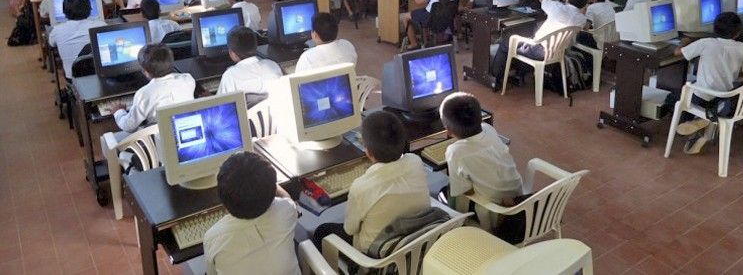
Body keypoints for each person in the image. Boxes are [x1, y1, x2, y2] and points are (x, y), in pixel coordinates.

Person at [312, 111, 430, 253]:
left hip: (376, 256)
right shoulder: (415, 161)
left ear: (367, 152)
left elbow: (349, 229)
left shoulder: (361, 186)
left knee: (322, 230)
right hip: (416, 236)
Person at [203, 152, 300, 275]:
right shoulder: (287, 210)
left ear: (223, 201)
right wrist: (267, 182)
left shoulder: (213, 237)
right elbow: (288, 199)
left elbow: (212, 273)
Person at [672, 12, 743, 154]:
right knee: (719, 99)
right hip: (724, 98)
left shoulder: (706, 43)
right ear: (738, 33)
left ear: (714, 29)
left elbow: (677, 52)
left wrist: (685, 41)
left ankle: (700, 122)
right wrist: (731, 72)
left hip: (700, 97)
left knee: (673, 98)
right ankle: (708, 124)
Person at [440, 93, 523, 206]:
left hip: (493, 210)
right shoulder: (488, 128)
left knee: (446, 192)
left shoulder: (455, 152)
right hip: (518, 195)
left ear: (448, 131)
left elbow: (462, 191)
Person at [491, 0, 588, 80]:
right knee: (530, 33)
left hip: (538, 51)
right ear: (585, 4)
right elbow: (585, 25)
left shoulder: (557, 8)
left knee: (506, 42)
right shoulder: (582, 19)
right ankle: (520, 73)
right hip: (557, 52)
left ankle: (495, 77)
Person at [112, 44, 195, 133]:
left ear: (145, 72)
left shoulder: (144, 93)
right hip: (187, 131)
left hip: (160, 140)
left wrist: (118, 111)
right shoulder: (188, 79)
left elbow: (128, 126)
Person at [216, 27, 282, 105]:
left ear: (232, 54)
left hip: (246, 116)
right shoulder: (273, 65)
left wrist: (208, 97)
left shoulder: (230, 76)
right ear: (256, 47)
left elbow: (220, 105)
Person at [48, 0, 106, 80]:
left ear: (64, 12)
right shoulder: (101, 25)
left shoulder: (57, 30)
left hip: (73, 78)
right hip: (101, 75)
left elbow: (51, 44)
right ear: (90, 10)